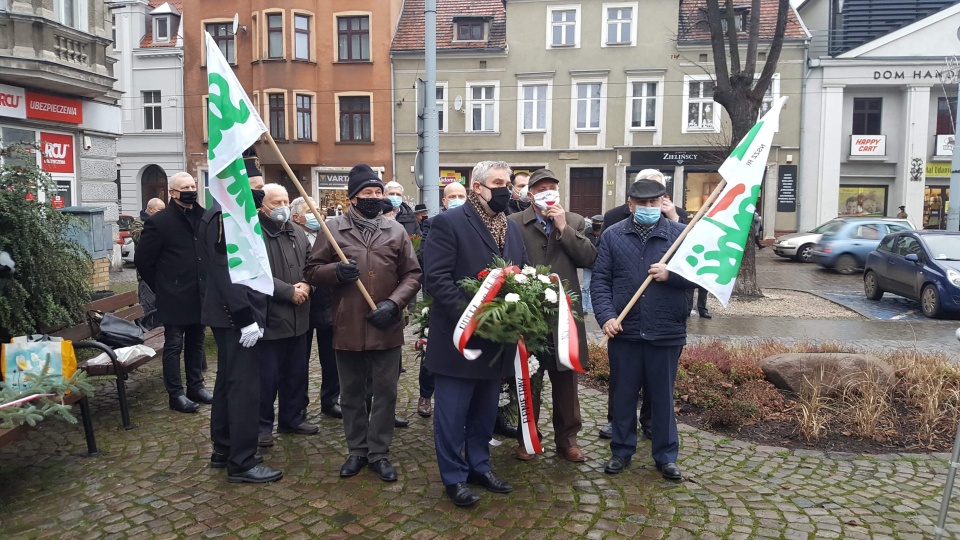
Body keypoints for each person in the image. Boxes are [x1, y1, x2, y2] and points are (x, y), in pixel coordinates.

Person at [303, 164, 422, 483]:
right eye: (367, 193)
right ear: (353, 198)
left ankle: (379, 452)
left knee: (386, 392)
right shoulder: (332, 228)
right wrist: (334, 273)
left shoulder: (395, 230)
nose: (374, 197)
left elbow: (412, 274)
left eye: (378, 192)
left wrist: (393, 303)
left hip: (386, 324)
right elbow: (311, 270)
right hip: (348, 323)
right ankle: (357, 450)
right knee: (352, 393)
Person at [422, 160, 528, 507]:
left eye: (509, 183)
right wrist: (475, 317)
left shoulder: (511, 229)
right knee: (452, 415)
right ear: (477, 186)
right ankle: (453, 477)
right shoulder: (448, 223)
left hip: (497, 341)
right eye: (498, 182)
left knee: (485, 412)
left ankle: (479, 465)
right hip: (459, 339)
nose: (506, 189)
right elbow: (436, 280)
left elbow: (521, 276)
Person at [592, 178, 693, 481]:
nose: (649, 208)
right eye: (642, 203)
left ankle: (665, 455)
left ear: (663, 202)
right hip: (625, 331)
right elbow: (600, 282)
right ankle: (621, 451)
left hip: (665, 330)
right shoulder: (612, 236)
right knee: (623, 395)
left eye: (655, 202)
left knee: (662, 397)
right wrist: (606, 317)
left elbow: (699, 279)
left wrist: (671, 274)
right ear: (631, 204)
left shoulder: (680, 235)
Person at [198, 153, 282, 484]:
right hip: (235, 316)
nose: (259, 194)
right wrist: (246, 318)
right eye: (256, 187)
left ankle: (223, 448)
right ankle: (242, 460)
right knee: (244, 388)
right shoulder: (227, 216)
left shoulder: (225, 212)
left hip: (229, 315)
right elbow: (227, 272)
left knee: (227, 384)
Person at [508, 169, 596, 462]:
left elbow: (588, 258)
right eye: (542, 188)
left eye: (552, 187)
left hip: (565, 317)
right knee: (527, 378)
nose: (548, 193)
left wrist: (564, 229)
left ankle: (567, 439)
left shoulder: (574, 220)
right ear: (530, 194)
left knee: (566, 380)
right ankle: (527, 439)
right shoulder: (514, 223)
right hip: (528, 315)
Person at [134, 172, 211, 414]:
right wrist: (163, 286)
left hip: (199, 292)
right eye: (184, 187)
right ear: (172, 193)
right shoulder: (160, 222)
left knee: (196, 342)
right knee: (174, 344)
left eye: (192, 185)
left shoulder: (204, 217)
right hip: (173, 294)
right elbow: (144, 261)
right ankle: (175, 393)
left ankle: (195, 386)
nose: (190, 190)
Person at [256, 184, 316, 448]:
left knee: (296, 372)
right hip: (271, 317)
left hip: (299, 317)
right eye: (275, 202)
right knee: (266, 378)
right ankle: (261, 426)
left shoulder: (298, 233)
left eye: (285, 202)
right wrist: (286, 291)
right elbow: (254, 274)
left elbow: (312, 263)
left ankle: (292, 418)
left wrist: (307, 284)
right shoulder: (255, 234)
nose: (281, 207)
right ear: (263, 206)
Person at [290, 197, 341, 420]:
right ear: (296, 217)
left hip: (327, 302)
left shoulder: (328, 234)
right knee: (298, 360)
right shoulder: (290, 234)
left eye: (318, 210)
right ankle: (297, 406)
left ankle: (330, 400)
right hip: (299, 303)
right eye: (309, 211)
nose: (316, 215)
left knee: (331, 359)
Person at [582, 214, 603, 314]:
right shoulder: (587, 232)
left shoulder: (604, 233)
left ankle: (593, 308)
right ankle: (584, 308)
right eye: (595, 222)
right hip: (588, 264)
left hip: (600, 265)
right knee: (586, 286)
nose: (597, 224)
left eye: (599, 223)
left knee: (597, 287)